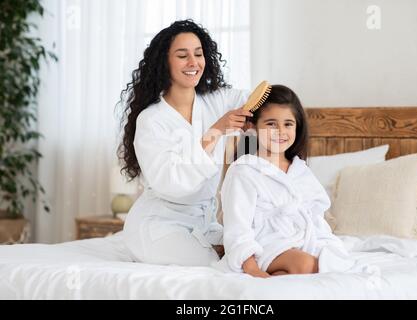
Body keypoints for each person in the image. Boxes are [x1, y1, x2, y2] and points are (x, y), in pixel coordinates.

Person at [118, 19, 251, 266]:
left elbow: (257, 100)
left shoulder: (216, 100)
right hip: (159, 226)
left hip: (203, 223)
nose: (193, 63)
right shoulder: (152, 120)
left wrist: (261, 115)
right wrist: (216, 130)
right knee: (216, 264)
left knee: (253, 248)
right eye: (182, 55)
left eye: (198, 54)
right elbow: (170, 182)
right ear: (164, 62)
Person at [219, 85, 355, 278]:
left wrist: (327, 244)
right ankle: (289, 271)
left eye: (288, 124)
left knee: (337, 262)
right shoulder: (244, 170)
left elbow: (315, 217)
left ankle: (286, 274)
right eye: (271, 124)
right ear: (253, 126)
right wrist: (252, 269)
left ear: (297, 127)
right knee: (306, 264)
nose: (280, 131)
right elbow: (237, 226)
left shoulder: (300, 170)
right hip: (266, 244)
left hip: (303, 240)